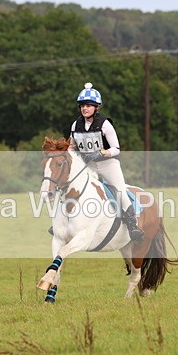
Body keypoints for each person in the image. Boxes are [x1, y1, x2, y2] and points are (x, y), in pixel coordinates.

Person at [68, 82, 144, 241]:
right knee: (71, 186)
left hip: (108, 164)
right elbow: (71, 145)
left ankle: (132, 225)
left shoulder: (105, 124)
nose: (84, 108)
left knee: (120, 190)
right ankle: (65, 222)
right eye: (82, 105)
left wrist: (101, 152)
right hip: (88, 166)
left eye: (89, 105)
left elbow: (116, 148)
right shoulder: (76, 125)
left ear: (96, 107)